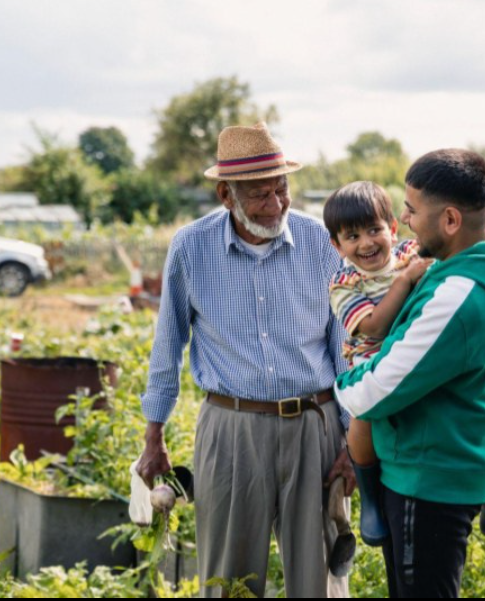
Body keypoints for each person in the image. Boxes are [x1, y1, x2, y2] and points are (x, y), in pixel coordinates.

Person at [136, 123, 355, 598]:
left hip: (314, 427)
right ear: (225, 195)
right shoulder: (191, 248)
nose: (276, 205)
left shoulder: (321, 243)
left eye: (282, 190)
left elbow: (347, 350)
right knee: (227, 580)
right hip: (231, 430)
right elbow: (167, 345)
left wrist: (353, 438)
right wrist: (153, 433)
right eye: (260, 195)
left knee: (320, 579)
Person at [334, 149, 485, 597]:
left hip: (427, 484)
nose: (403, 220)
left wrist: (347, 378)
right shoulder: (483, 269)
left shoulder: (455, 297)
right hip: (451, 467)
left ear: (448, 220)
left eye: (410, 210)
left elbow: (369, 393)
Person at [323, 181, 432, 547]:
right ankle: (369, 496)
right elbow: (372, 326)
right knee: (363, 414)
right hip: (371, 356)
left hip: (418, 349)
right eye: (352, 236)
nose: (367, 243)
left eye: (374, 230)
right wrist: (404, 282)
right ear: (337, 246)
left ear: (393, 228)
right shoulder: (343, 282)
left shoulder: (411, 254)